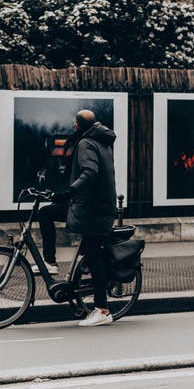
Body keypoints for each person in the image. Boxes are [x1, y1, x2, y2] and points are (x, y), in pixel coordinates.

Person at [66, 109, 117, 327]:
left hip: (94, 210)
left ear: (78, 126)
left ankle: (102, 310)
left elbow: (90, 173)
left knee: (94, 257)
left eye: (74, 124)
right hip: (98, 206)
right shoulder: (101, 140)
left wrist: (70, 191)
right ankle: (50, 264)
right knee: (46, 212)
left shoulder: (86, 143)